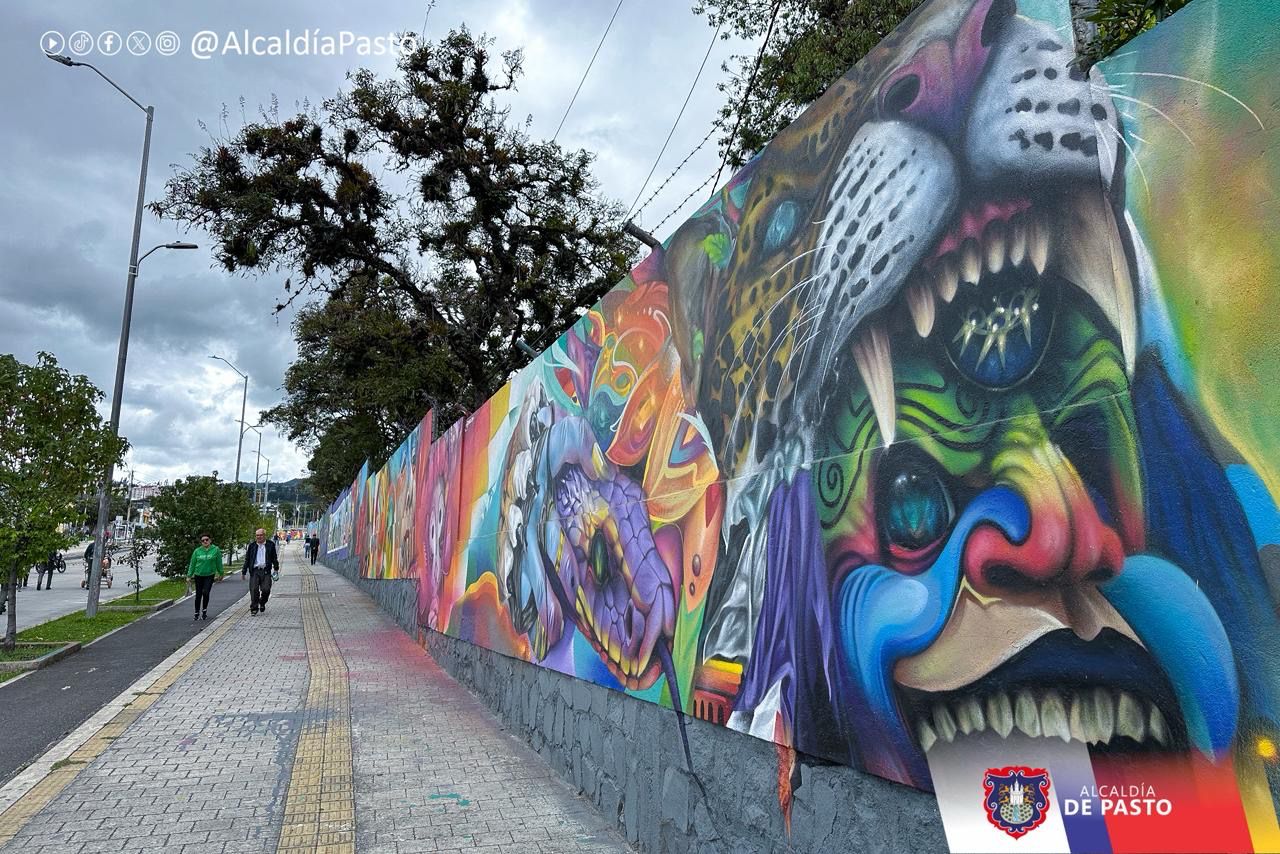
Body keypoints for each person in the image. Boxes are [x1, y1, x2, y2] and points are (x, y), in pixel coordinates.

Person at [242, 528, 280, 616]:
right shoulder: (252, 546)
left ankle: (262, 602)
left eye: (260, 535)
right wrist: (244, 571)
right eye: (257, 535)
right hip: (254, 571)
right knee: (254, 589)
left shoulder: (270, 545)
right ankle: (254, 608)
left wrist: (276, 568)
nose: (258, 537)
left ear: (264, 535)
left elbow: (274, 558)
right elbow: (247, 559)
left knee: (266, 589)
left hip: (266, 571)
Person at [186, 535, 222, 621]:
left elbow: (219, 562)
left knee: (206, 592)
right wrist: (189, 575)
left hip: (209, 575)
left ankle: (204, 610)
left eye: (206, 540)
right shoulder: (197, 551)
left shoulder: (215, 550)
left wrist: (221, 573)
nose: (205, 541)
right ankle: (196, 612)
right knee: (198, 594)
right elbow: (192, 564)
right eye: (203, 540)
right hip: (198, 575)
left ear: (210, 540)